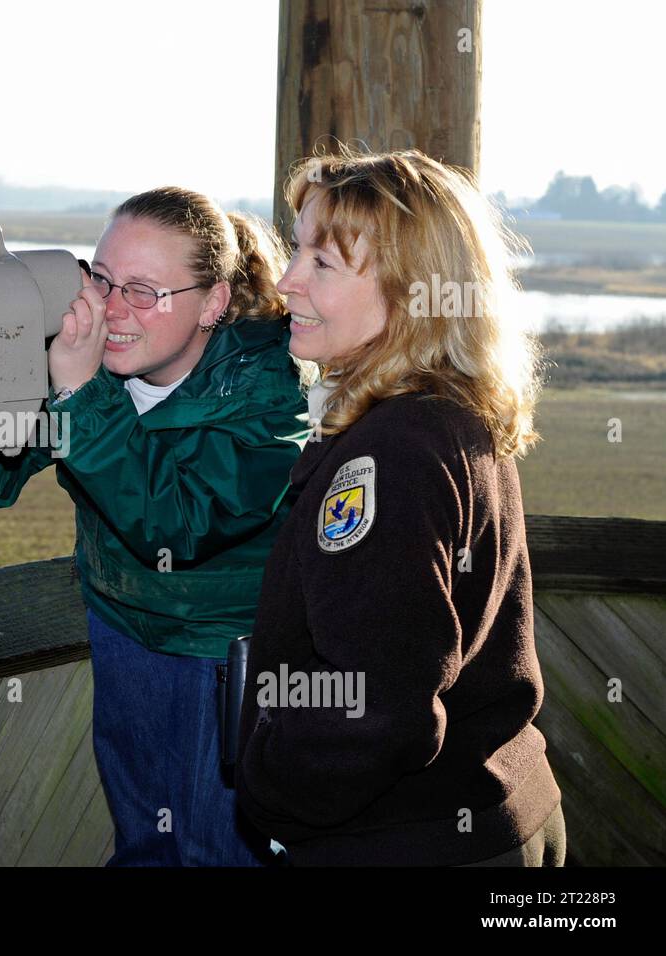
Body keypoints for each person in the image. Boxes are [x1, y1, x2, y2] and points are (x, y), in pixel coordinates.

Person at [0, 187, 310, 866]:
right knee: (146, 847)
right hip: (122, 632)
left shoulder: (271, 392)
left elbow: (178, 523)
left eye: (143, 291)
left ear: (215, 302)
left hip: (224, 659)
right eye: (101, 279)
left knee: (216, 853)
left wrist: (81, 395)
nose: (111, 309)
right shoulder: (92, 361)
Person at [235, 147, 565, 866]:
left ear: (414, 290)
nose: (287, 284)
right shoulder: (450, 413)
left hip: (409, 842)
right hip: (499, 809)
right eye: (298, 254)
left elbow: (379, 706)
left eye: (322, 265)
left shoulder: (388, 456)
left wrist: (274, 795)